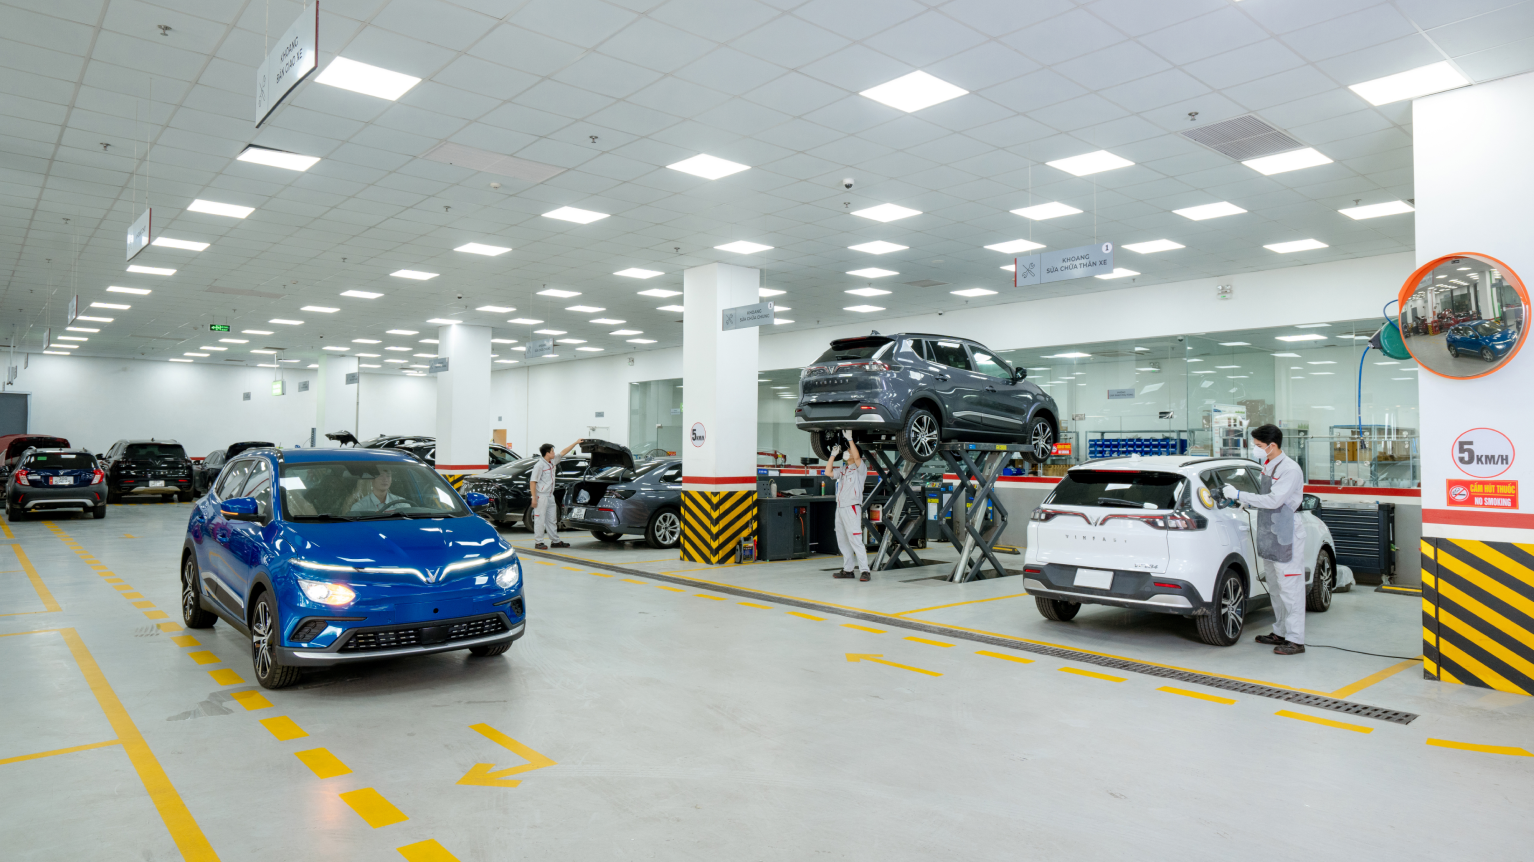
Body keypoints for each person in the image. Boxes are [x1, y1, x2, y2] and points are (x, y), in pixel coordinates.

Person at [1223, 424, 1307, 655]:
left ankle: (1296, 639)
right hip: (1270, 531)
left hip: (1286, 533)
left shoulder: (1290, 469)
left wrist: (1239, 494)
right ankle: (1280, 632)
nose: (1256, 449)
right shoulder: (1268, 465)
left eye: (1258, 445)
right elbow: (1265, 498)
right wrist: (1244, 502)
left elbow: (1274, 500)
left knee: (1290, 588)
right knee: (1275, 586)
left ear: (1272, 445)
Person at [826, 430, 870, 581]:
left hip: (852, 508)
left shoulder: (860, 470)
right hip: (840, 509)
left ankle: (865, 571)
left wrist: (850, 439)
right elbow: (828, 472)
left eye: (849, 450)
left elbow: (857, 457)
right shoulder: (843, 471)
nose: (846, 451)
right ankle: (848, 570)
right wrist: (833, 455)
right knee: (843, 541)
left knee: (856, 540)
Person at [531, 440, 582, 550]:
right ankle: (538, 542)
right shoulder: (539, 465)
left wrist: (576, 443)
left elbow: (563, 452)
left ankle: (555, 541)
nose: (554, 453)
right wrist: (534, 498)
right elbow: (533, 482)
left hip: (550, 495)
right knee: (540, 519)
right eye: (552, 451)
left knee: (552, 519)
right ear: (547, 453)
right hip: (541, 496)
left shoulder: (552, 461)